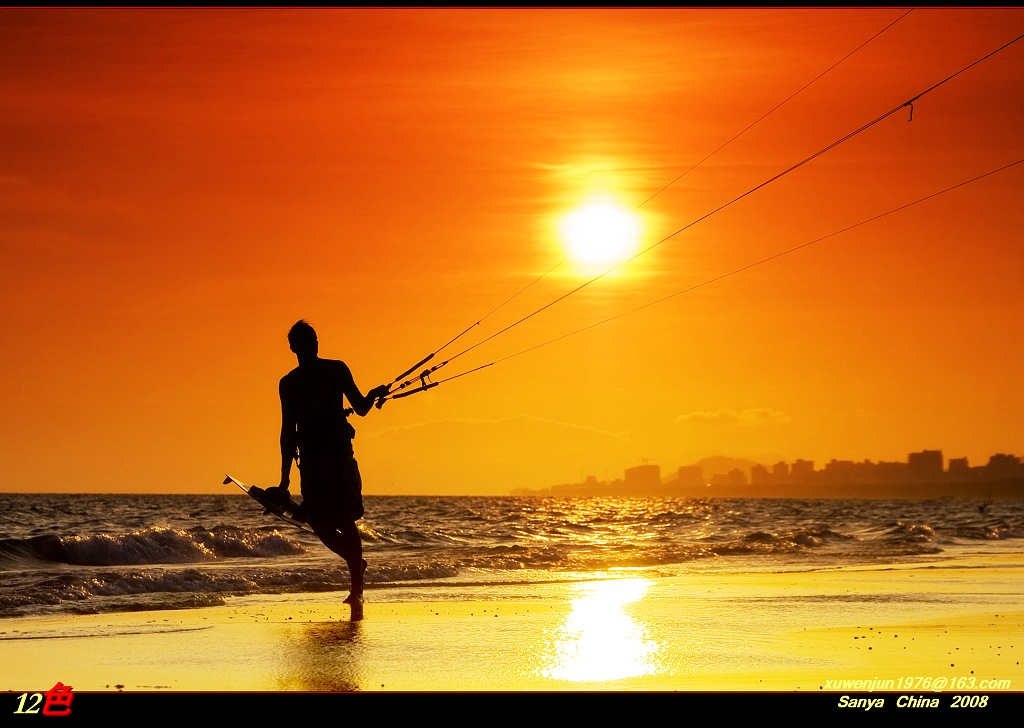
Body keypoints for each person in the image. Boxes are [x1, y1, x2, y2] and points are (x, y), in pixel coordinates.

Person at [267, 320, 389, 608]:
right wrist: (284, 482)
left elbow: (359, 408)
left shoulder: (336, 370)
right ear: (294, 348)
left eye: (313, 342)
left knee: (345, 520)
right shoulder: (289, 384)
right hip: (310, 464)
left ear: (316, 344)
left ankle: (356, 588)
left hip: (339, 460)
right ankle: (357, 565)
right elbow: (288, 433)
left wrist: (373, 394)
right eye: (306, 344)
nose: (311, 348)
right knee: (318, 523)